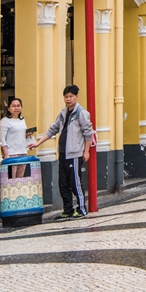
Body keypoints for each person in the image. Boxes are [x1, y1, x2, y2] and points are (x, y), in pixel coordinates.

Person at [28, 85, 95, 220]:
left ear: (76, 97)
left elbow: (88, 133)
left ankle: (82, 209)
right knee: (63, 183)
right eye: (66, 97)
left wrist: (86, 151)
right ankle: (68, 209)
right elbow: (53, 129)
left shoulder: (81, 113)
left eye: (71, 96)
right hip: (63, 153)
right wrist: (38, 143)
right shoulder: (63, 113)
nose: (68, 99)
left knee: (75, 183)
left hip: (75, 154)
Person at [0, 97, 30, 178]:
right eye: (14, 106)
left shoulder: (22, 120)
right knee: (11, 179)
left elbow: (20, 135)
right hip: (11, 154)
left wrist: (27, 135)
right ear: (9, 108)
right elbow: (2, 138)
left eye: (18, 105)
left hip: (23, 153)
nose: (16, 108)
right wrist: (6, 154)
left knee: (20, 179)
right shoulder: (5, 121)